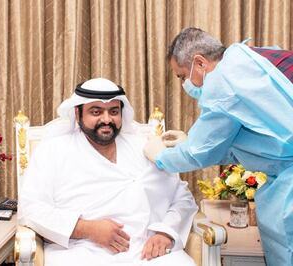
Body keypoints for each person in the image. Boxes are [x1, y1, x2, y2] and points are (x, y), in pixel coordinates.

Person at [144, 27, 293, 266]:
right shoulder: (248, 58)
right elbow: (260, 139)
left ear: (200, 62)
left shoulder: (222, 81)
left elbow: (197, 153)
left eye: (182, 76)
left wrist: (161, 156)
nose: (185, 85)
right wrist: (187, 141)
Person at [19, 78, 198, 266]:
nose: (106, 119)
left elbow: (182, 197)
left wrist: (165, 232)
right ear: (77, 113)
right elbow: (31, 208)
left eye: (114, 112)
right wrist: (87, 229)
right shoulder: (53, 150)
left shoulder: (144, 147)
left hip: (145, 250)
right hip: (79, 249)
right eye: (96, 112)